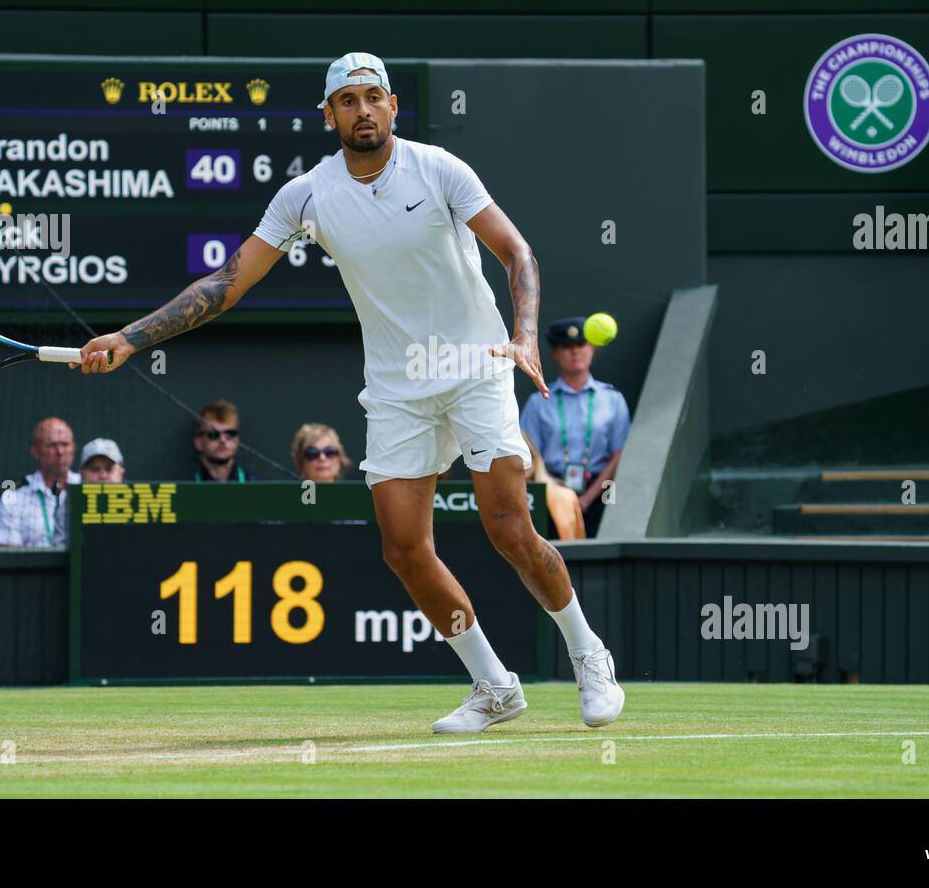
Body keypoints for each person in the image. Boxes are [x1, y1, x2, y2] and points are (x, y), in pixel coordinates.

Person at [75, 51, 624, 734]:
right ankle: (493, 685)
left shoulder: (440, 169)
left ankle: (588, 653)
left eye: (373, 97)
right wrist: (131, 338)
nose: (362, 110)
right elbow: (226, 284)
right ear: (328, 114)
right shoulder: (306, 195)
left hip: (478, 366)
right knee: (402, 548)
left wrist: (526, 335)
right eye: (347, 100)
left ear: (393, 106)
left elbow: (517, 252)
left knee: (509, 527)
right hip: (397, 388)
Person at [519, 316, 631, 537]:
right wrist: (559, 495)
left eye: (580, 345)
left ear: (592, 349)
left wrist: (588, 498)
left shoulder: (613, 399)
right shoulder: (537, 402)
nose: (574, 352)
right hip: (552, 495)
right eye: (566, 347)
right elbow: (529, 457)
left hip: (603, 495)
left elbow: (620, 454)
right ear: (554, 354)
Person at [0, 417, 80, 547]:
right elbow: (8, 556)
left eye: (65, 444)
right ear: (35, 451)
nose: (60, 452)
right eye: (51, 445)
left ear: (73, 448)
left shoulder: (86, 487)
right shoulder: (14, 496)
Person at [522, 431, 585, 541]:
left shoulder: (566, 497)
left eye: (525, 455)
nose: (522, 463)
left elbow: (578, 545)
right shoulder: (490, 500)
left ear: (533, 457)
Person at [192, 399, 248, 483]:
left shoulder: (260, 489)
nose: (222, 440)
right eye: (214, 434)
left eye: (230, 434)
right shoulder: (182, 489)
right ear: (198, 443)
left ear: (237, 440)